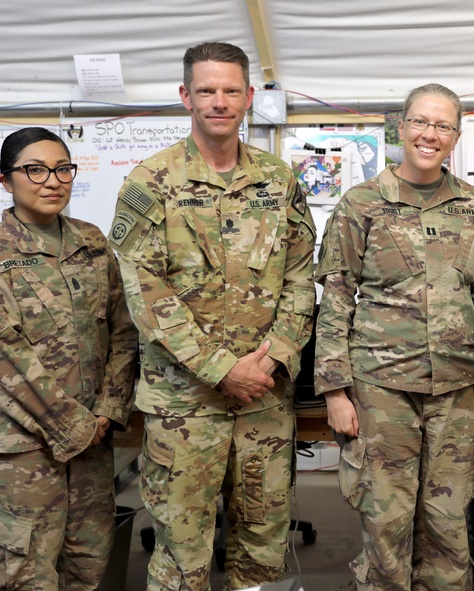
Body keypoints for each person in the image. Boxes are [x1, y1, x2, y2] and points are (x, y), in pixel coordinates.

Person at [108, 42, 316, 589]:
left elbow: (300, 276)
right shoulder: (149, 183)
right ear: (185, 96)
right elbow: (146, 295)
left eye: (230, 90)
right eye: (206, 90)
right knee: (182, 557)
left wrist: (275, 358)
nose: (218, 102)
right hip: (185, 404)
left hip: (264, 401)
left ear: (249, 97)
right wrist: (223, 368)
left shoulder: (280, 181)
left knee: (264, 552)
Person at [315, 83, 474, 590]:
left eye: (443, 126)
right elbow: (335, 297)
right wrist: (335, 390)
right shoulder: (362, 204)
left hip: (458, 390)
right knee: (385, 525)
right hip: (382, 390)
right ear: (401, 128)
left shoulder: (473, 206)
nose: (430, 134)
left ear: (456, 136)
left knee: (448, 527)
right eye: (421, 122)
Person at [0, 126, 137, 590]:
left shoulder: (93, 244)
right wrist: (75, 425)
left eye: (62, 169)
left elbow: (123, 332)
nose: (52, 181)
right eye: (34, 170)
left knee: (88, 567)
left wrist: (108, 412)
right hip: (25, 454)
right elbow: (1, 359)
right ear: (5, 180)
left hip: (93, 451)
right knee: (21, 574)